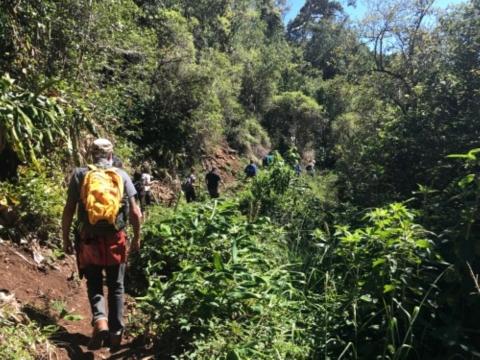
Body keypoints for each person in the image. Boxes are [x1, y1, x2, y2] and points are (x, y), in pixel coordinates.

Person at [61, 139, 141, 351]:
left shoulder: (80, 174)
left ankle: (100, 321)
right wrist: (137, 237)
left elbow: (68, 209)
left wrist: (66, 237)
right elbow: (134, 212)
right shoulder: (121, 175)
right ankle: (115, 336)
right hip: (116, 238)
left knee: (94, 281)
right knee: (116, 285)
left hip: (89, 238)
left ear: (91, 154)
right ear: (110, 155)